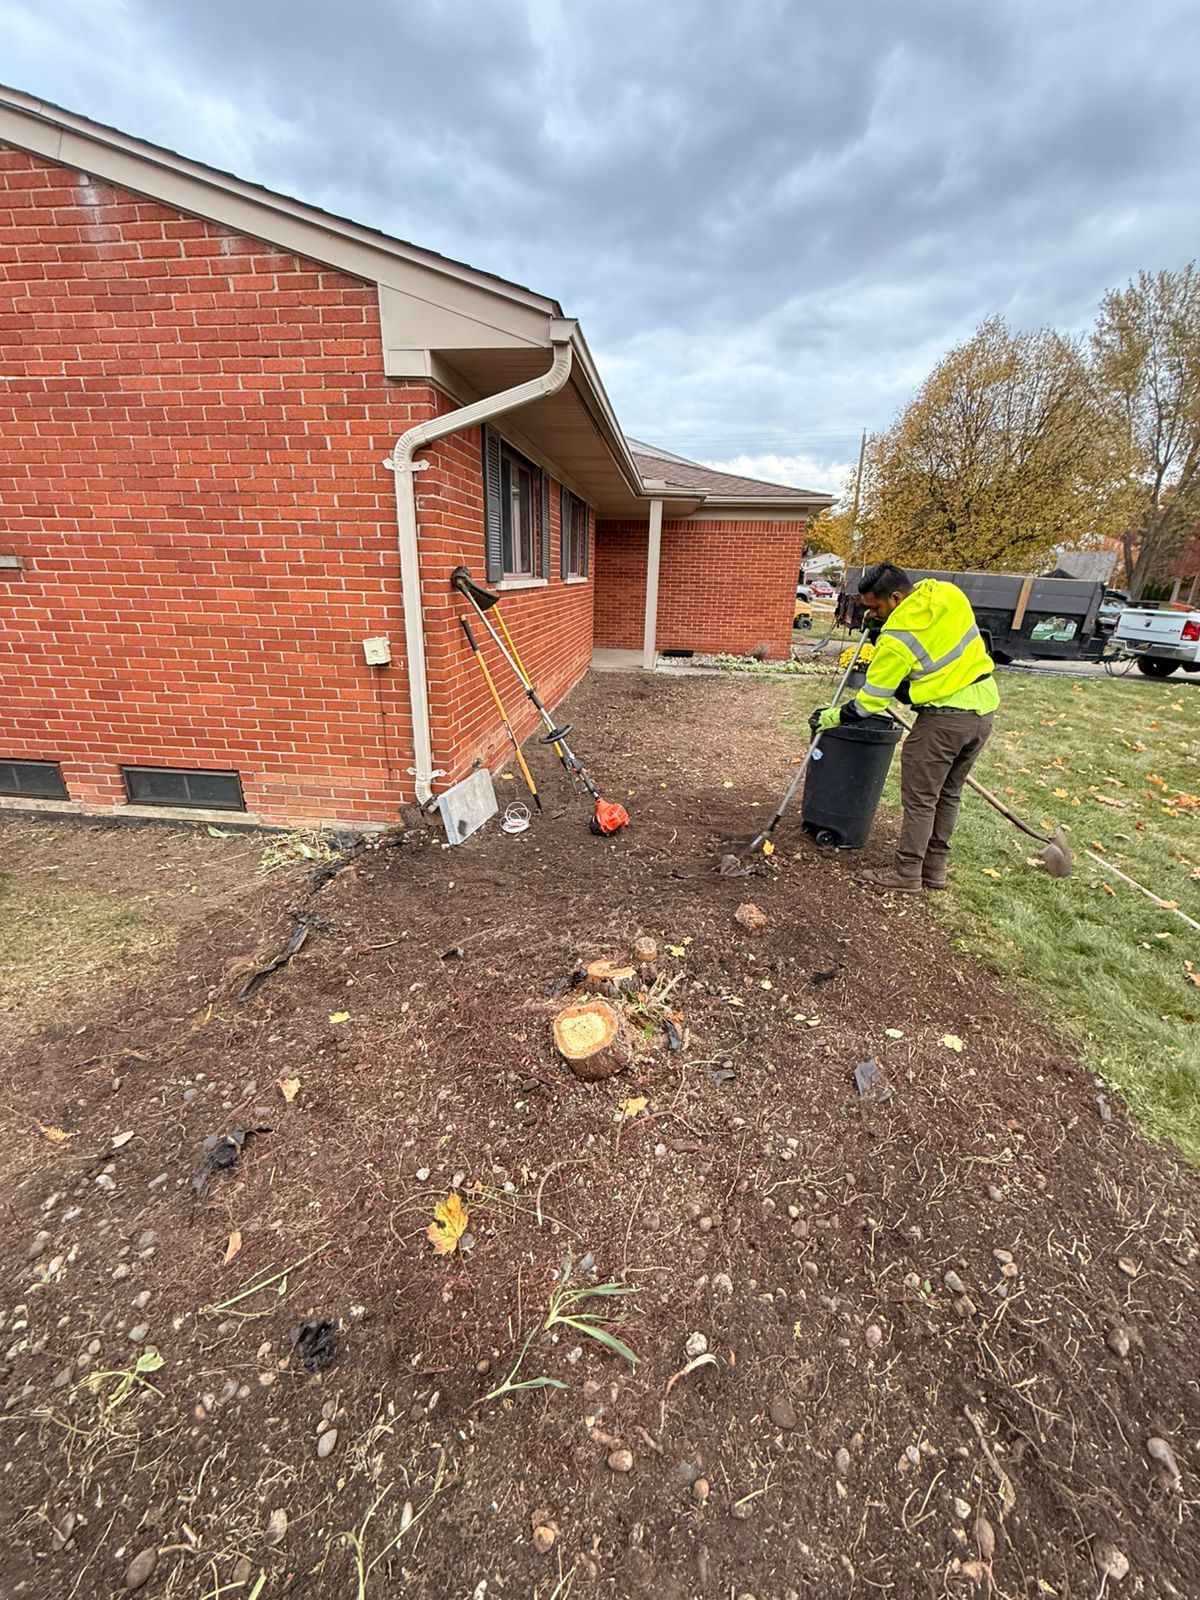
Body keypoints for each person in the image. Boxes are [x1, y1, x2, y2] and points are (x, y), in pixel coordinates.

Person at [813, 563, 999, 893]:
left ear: (896, 598)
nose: (872, 613)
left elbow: (870, 703)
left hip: (943, 722)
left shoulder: (896, 640)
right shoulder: (946, 593)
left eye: (875, 607)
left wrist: (836, 717)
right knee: (949, 794)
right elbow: (933, 642)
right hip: (983, 712)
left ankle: (907, 872)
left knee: (921, 800)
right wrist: (881, 622)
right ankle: (935, 870)